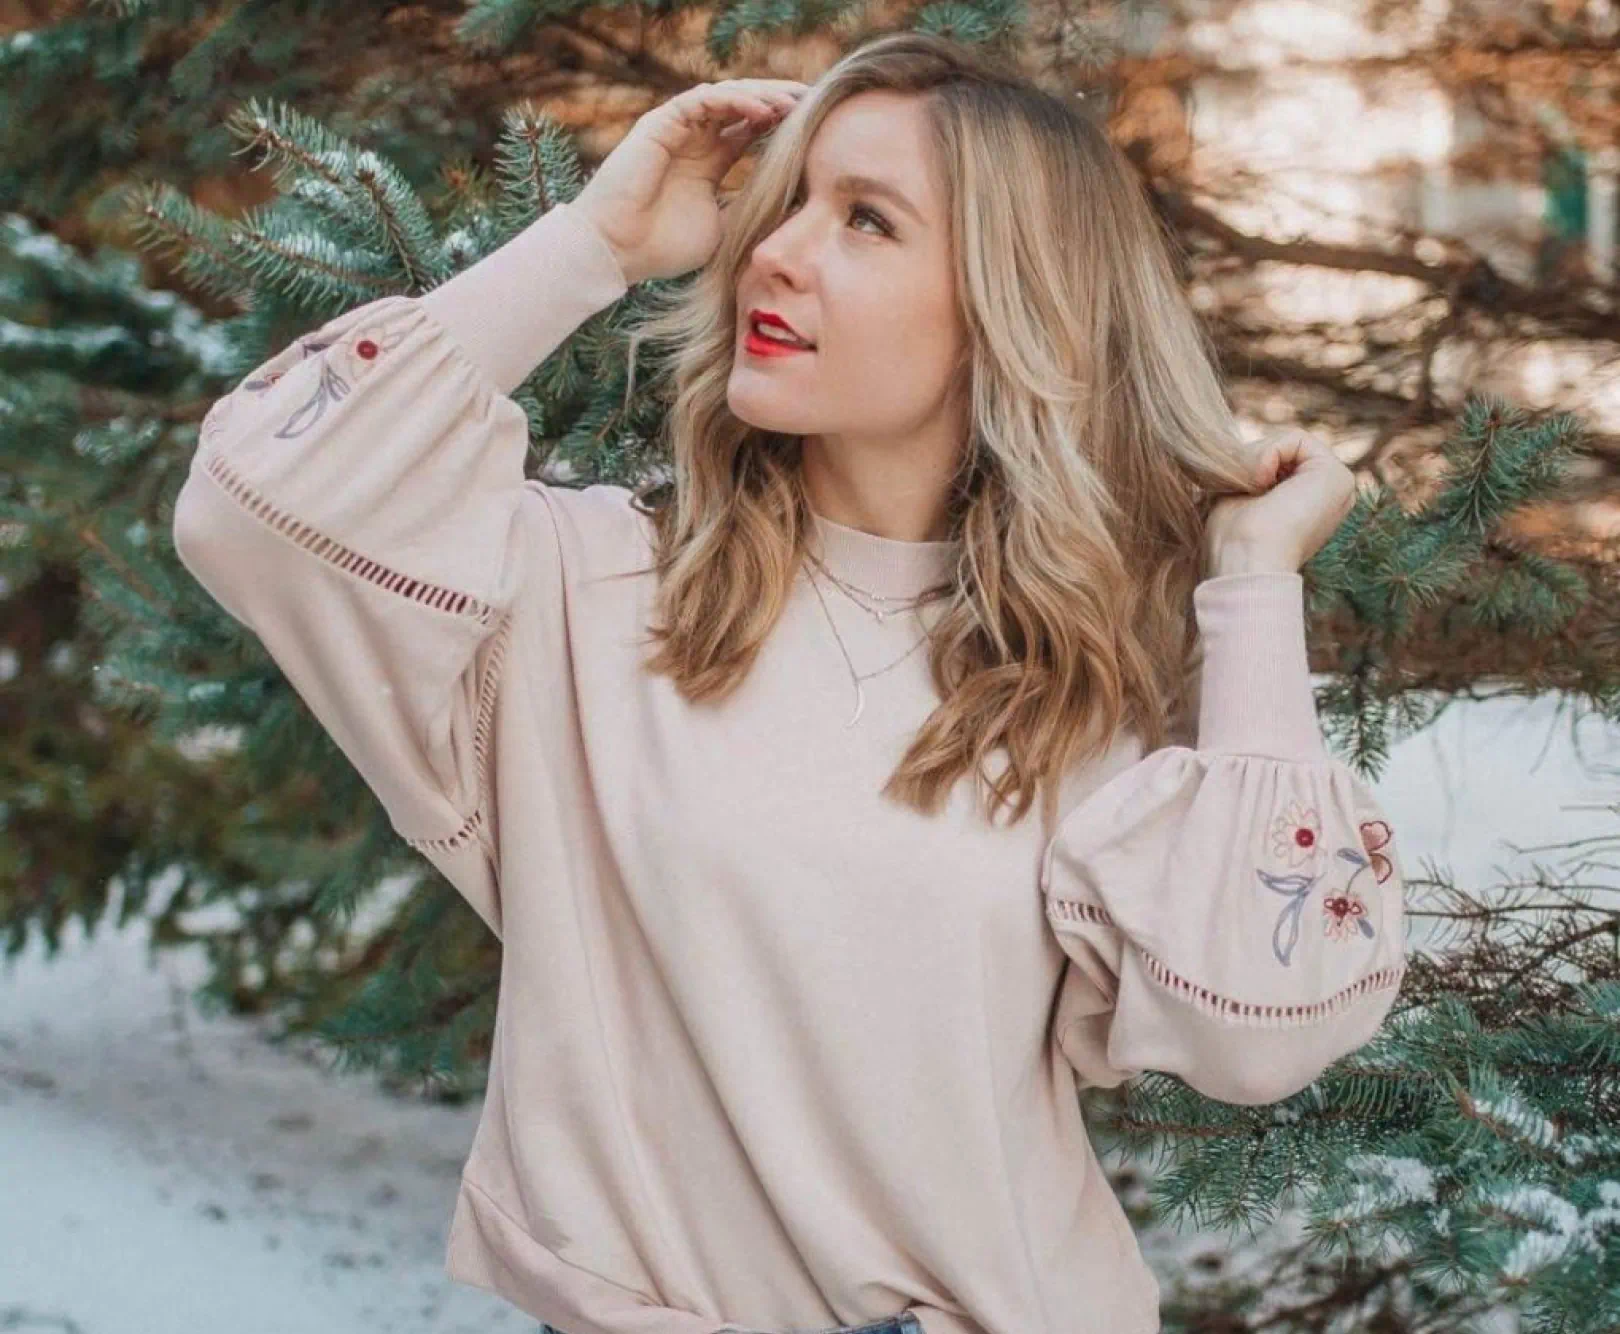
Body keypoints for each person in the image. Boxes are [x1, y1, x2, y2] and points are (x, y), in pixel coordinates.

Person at [171, 30, 1407, 1334]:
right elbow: (253, 507)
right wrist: (591, 245)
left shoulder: (1092, 678)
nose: (774, 250)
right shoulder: (591, 595)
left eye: (867, 219)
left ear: (1009, 304)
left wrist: (1253, 581)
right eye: (791, 201)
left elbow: (1262, 1028)